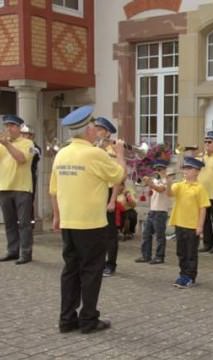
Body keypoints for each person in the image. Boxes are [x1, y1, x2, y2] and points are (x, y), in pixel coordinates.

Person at [49, 105, 126, 333]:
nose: (95, 131)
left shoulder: (62, 153)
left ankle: (67, 319)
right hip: (91, 223)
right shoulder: (94, 153)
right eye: (93, 127)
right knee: (91, 271)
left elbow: (53, 189)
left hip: (69, 222)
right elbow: (118, 175)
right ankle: (88, 320)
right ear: (88, 130)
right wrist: (120, 155)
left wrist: (56, 216)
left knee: (70, 270)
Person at [167, 157, 210, 288]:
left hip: (192, 225)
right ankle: (183, 274)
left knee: (191, 252)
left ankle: (190, 277)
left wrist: (200, 226)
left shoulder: (200, 188)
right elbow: (169, 193)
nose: (186, 171)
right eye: (185, 168)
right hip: (180, 223)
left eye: (189, 169)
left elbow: (203, 208)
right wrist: (168, 182)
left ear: (197, 171)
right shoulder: (179, 185)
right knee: (181, 251)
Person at [0, 115, 34, 264]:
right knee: (9, 222)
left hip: (22, 188)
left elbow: (21, 159)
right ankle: (12, 251)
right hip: (4, 187)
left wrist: (7, 144)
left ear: (20, 128)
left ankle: (25, 253)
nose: (8, 128)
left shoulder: (28, 143)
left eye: (12, 125)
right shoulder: (2, 145)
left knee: (24, 223)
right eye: (6, 125)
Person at [94, 117, 121, 277]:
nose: (96, 132)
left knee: (110, 233)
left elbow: (117, 177)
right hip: (96, 192)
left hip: (109, 192)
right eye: (96, 129)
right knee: (97, 231)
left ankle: (111, 264)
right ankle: (99, 262)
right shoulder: (94, 149)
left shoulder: (113, 150)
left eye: (100, 129)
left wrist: (112, 200)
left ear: (107, 132)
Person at [135, 160, 171, 264]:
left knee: (159, 236)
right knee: (146, 234)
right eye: (156, 170)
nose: (157, 171)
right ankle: (146, 255)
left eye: (160, 169)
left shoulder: (166, 180)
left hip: (161, 211)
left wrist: (150, 183)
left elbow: (160, 189)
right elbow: (142, 184)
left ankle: (159, 257)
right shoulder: (155, 180)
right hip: (152, 210)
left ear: (164, 170)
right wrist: (146, 181)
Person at [20, 124, 41, 226]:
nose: (25, 137)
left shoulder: (35, 147)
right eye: (23, 134)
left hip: (30, 176)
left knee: (28, 199)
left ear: (32, 136)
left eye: (27, 135)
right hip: (18, 177)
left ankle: (30, 222)